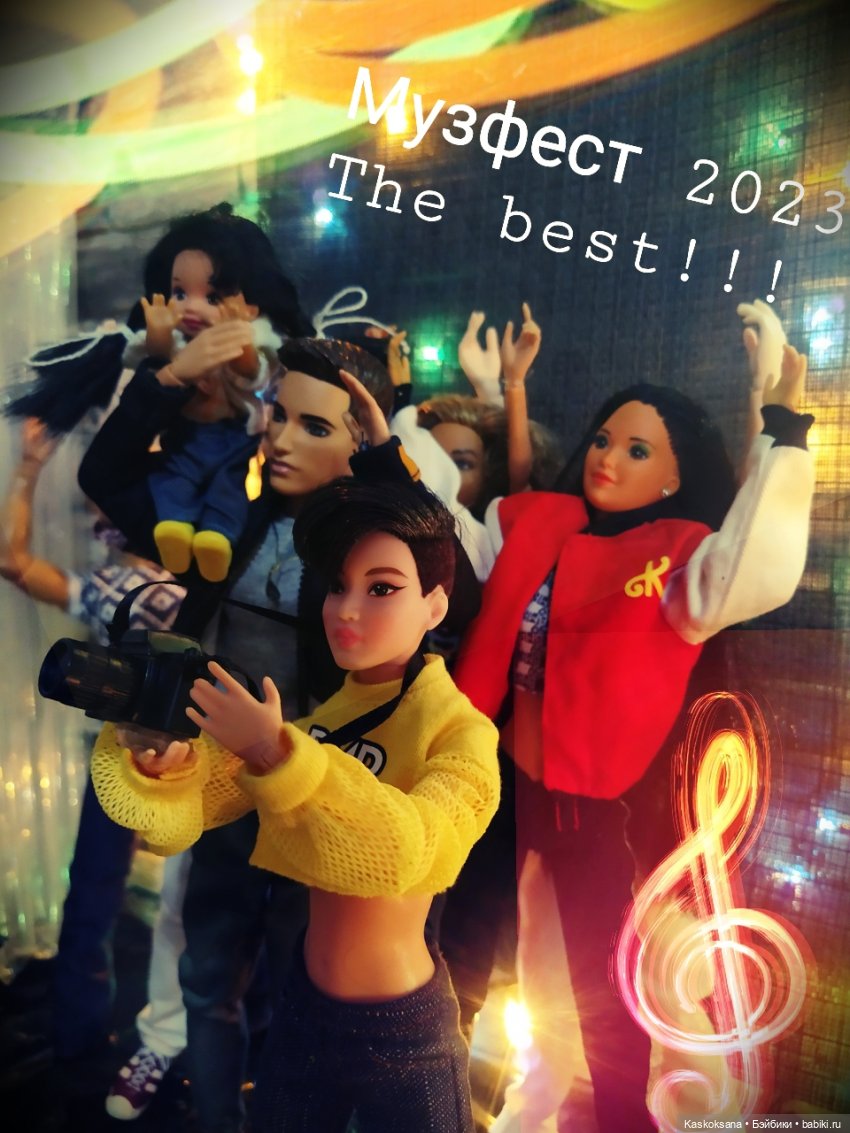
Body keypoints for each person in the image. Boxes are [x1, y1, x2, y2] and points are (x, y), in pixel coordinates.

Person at [76, 335, 480, 1132]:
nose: (283, 438)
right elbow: (110, 479)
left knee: (303, 976)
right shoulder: (230, 516)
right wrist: (167, 379)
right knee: (209, 974)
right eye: (278, 415)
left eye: (315, 426)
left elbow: (446, 580)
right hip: (244, 768)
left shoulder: (384, 580)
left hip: (333, 792)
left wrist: (388, 459)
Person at [453, 312, 814, 1133]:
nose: (608, 458)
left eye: (638, 450)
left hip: (595, 811)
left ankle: (623, 1120)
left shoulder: (678, 557)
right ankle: (515, 1109)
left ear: (675, 477)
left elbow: (747, 560)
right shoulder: (540, 525)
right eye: (604, 439)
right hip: (505, 791)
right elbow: (458, 531)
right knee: (521, 976)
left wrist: (782, 423)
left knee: (607, 1000)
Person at [0, 418, 188, 1097]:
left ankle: (109, 1046)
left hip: (182, 764)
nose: (92, 510)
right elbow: (15, 562)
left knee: (139, 907)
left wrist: (30, 469)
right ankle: (124, 1047)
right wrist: (29, 468)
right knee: (139, 907)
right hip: (138, 758)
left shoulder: (156, 585)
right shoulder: (132, 585)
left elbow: (15, 560)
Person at [7, 203, 314, 582]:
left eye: (213, 297)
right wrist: (170, 370)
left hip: (233, 447)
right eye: (179, 292)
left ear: (250, 307)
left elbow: (255, 373)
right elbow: (102, 474)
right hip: (184, 444)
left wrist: (234, 347)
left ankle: (215, 534)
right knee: (174, 481)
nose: (192, 307)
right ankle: (176, 529)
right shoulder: (176, 353)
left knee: (226, 489)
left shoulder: (261, 347)